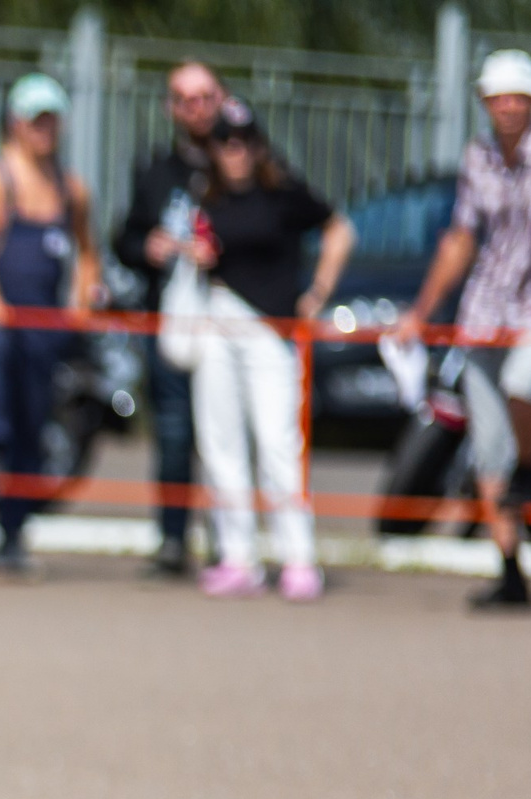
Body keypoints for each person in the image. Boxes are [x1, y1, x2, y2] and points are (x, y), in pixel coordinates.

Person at [393, 49, 531, 609]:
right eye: (499, 96)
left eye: (517, 96)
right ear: (486, 102)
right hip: (482, 310)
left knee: (524, 389)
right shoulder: (477, 156)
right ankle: (510, 568)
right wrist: (421, 310)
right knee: (486, 448)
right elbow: (460, 238)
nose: (507, 105)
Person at [183, 99, 352, 601]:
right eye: (222, 142)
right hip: (217, 320)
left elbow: (339, 229)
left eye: (242, 141)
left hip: (271, 328)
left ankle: (297, 556)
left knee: (278, 443)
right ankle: (238, 556)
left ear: (258, 146)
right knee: (220, 442)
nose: (233, 151)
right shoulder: (205, 196)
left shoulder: (284, 192)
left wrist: (318, 293)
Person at [0, 73, 99, 572]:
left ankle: (12, 532)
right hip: (0, 317)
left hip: (44, 323)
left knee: (33, 427)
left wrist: (81, 303)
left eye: (51, 119)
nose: (45, 129)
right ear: (15, 121)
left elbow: (87, 254)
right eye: (36, 119)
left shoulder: (70, 187)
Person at [114, 60, 226, 577]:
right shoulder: (156, 169)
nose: (195, 108)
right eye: (184, 98)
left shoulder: (244, 159)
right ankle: (173, 541)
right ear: (171, 108)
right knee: (176, 432)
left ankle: (233, 543)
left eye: (204, 96)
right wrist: (149, 246)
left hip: (228, 317)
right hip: (171, 319)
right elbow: (125, 238)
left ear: (221, 99)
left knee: (227, 433)